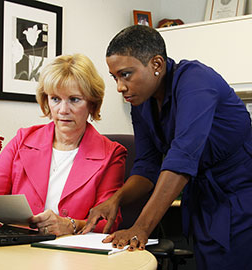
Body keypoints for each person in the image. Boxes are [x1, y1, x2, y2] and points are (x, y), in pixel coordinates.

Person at [82, 25, 252, 269]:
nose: (119, 87)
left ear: (157, 64)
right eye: (115, 77)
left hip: (240, 195)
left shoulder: (196, 81)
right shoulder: (141, 102)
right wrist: (116, 199)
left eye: (126, 74)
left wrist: (141, 227)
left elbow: (183, 157)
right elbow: (146, 165)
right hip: (202, 199)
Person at [0, 53, 126, 237]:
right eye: (55, 99)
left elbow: (108, 222)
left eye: (74, 99)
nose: (63, 110)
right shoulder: (22, 140)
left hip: (74, 257)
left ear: (92, 103)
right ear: (46, 100)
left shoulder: (112, 154)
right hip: (21, 251)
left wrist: (70, 225)